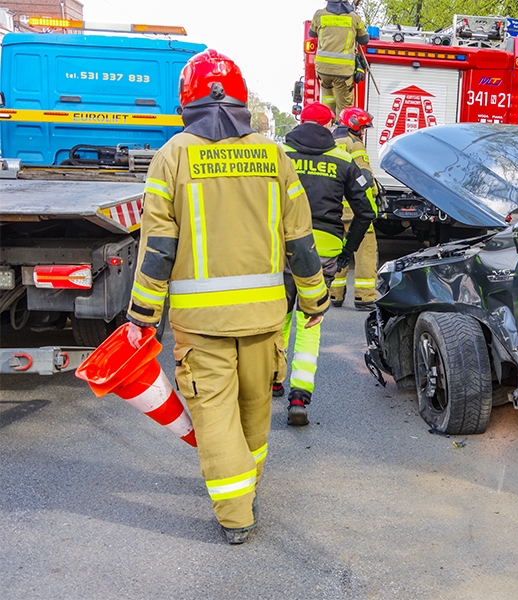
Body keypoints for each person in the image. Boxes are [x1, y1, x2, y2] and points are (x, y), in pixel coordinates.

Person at [124, 49, 329, 545]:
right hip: (264, 317)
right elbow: (299, 239)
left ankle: (236, 515)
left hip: (201, 325)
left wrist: (142, 317)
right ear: (240, 99)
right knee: (256, 408)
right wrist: (315, 300)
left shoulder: (171, 156)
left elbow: (158, 248)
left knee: (213, 413)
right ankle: (247, 485)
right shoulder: (273, 155)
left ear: (186, 101)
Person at [277, 101, 375, 425]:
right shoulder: (343, 160)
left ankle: (273, 379)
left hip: (281, 248)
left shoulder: (279, 155)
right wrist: (348, 251)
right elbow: (366, 212)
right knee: (310, 322)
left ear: (300, 120)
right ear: (331, 125)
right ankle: (298, 398)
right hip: (324, 252)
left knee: (277, 319)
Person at [331, 107, 379, 310]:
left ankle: (334, 294)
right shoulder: (355, 144)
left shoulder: (330, 143)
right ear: (354, 125)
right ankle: (364, 296)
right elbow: (365, 178)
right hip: (354, 209)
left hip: (333, 209)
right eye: (363, 127)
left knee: (337, 251)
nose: (364, 132)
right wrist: (375, 193)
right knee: (365, 253)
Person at [308, 0, 369, 117]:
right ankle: (341, 131)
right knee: (345, 109)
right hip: (343, 72)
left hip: (323, 70)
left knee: (327, 100)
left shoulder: (319, 15)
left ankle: (327, 123)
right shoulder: (354, 17)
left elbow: (312, 33)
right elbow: (364, 40)